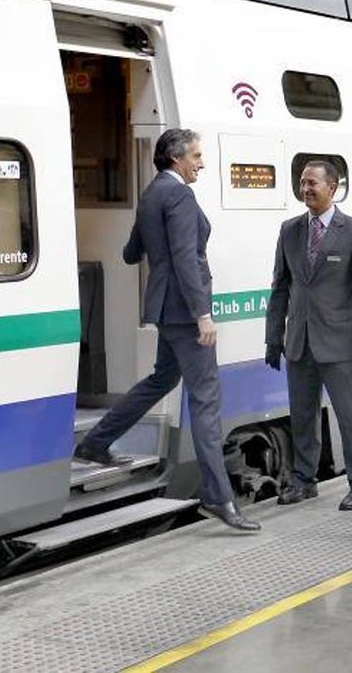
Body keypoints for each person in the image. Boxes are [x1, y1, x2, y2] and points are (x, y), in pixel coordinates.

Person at [72, 128, 259, 532]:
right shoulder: (178, 195)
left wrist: (157, 254)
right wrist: (202, 315)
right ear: (176, 158)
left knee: (161, 380)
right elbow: (185, 259)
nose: (201, 163)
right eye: (196, 156)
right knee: (206, 403)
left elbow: (129, 253)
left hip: (163, 307)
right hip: (184, 313)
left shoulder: (152, 193)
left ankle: (95, 442)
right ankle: (218, 497)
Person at [264, 159, 352, 512]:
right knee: (302, 415)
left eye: (312, 183)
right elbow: (279, 288)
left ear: (333, 188)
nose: (305, 189)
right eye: (302, 183)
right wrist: (274, 337)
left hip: (340, 343)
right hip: (299, 342)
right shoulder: (289, 230)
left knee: (351, 416)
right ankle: (304, 481)